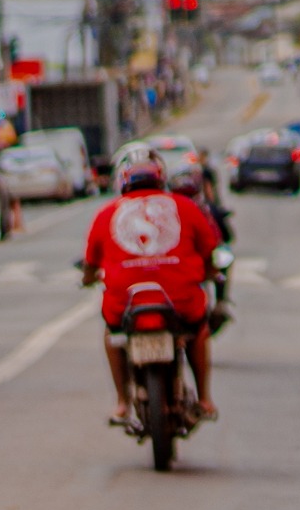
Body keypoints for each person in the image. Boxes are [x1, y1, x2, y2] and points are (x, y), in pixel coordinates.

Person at [82, 149, 224, 428]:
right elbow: (210, 250)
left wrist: (89, 278)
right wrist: (209, 272)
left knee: (112, 336)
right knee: (198, 330)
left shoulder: (107, 213)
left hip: (125, 304)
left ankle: (122, 403)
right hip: (180, 301)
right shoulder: (184, 207)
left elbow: (90, 262)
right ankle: (205, 398)